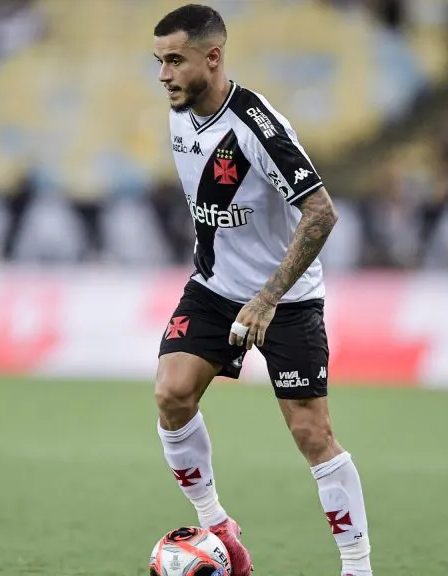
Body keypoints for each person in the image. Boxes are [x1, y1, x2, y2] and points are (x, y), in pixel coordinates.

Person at [151, 5, 373, 576]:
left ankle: (356, 567)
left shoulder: (256, 126)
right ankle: (217, 524)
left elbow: (321, 214)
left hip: (287, 299)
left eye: (175, 60)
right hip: (214, 287)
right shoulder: (178, 113)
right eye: (160, 62)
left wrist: (268, 296)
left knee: (312, 432)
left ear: (213, 57)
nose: (165, 75)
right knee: (172, 394)